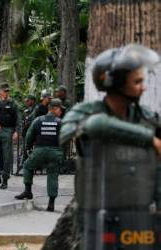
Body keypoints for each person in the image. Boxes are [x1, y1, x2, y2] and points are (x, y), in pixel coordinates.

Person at [54, 44, 161, 250]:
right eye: (137, 81)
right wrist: (149, 140)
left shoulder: (147, 118)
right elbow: (93, 125)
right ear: (115, 81)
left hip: (140, 219)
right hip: (99, 218)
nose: (143, 87)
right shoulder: (84, 112)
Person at [15, 99, 64, 212]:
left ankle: (28, 191)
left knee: (27, 166)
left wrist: (27, 147)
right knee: (53, 175)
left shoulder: (38, 120)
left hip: (39, 151)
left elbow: (29, 136)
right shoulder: (60, 122)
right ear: (55, 109)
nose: (61, 111)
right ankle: (51, 203)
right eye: (60, 109)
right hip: (55, 152)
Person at [0, 83, 21, 189]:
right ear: (0, 92)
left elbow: (18, 118)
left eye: (7, 91)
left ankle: (5, 179)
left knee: (7, 156)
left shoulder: (13, 103)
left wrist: (17, 132)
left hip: (8, 130)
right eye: (4, 91)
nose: (6, 92)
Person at [17, 94, 36, 175]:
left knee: (26, 150)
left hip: (32, 133)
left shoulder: (35, 110)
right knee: (24, 150)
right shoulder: (26, 110)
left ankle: (23, 166)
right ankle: (23, 166)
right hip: (26, 133)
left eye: (28, 100)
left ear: (32, 101)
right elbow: (24, 121)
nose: (26, 102)